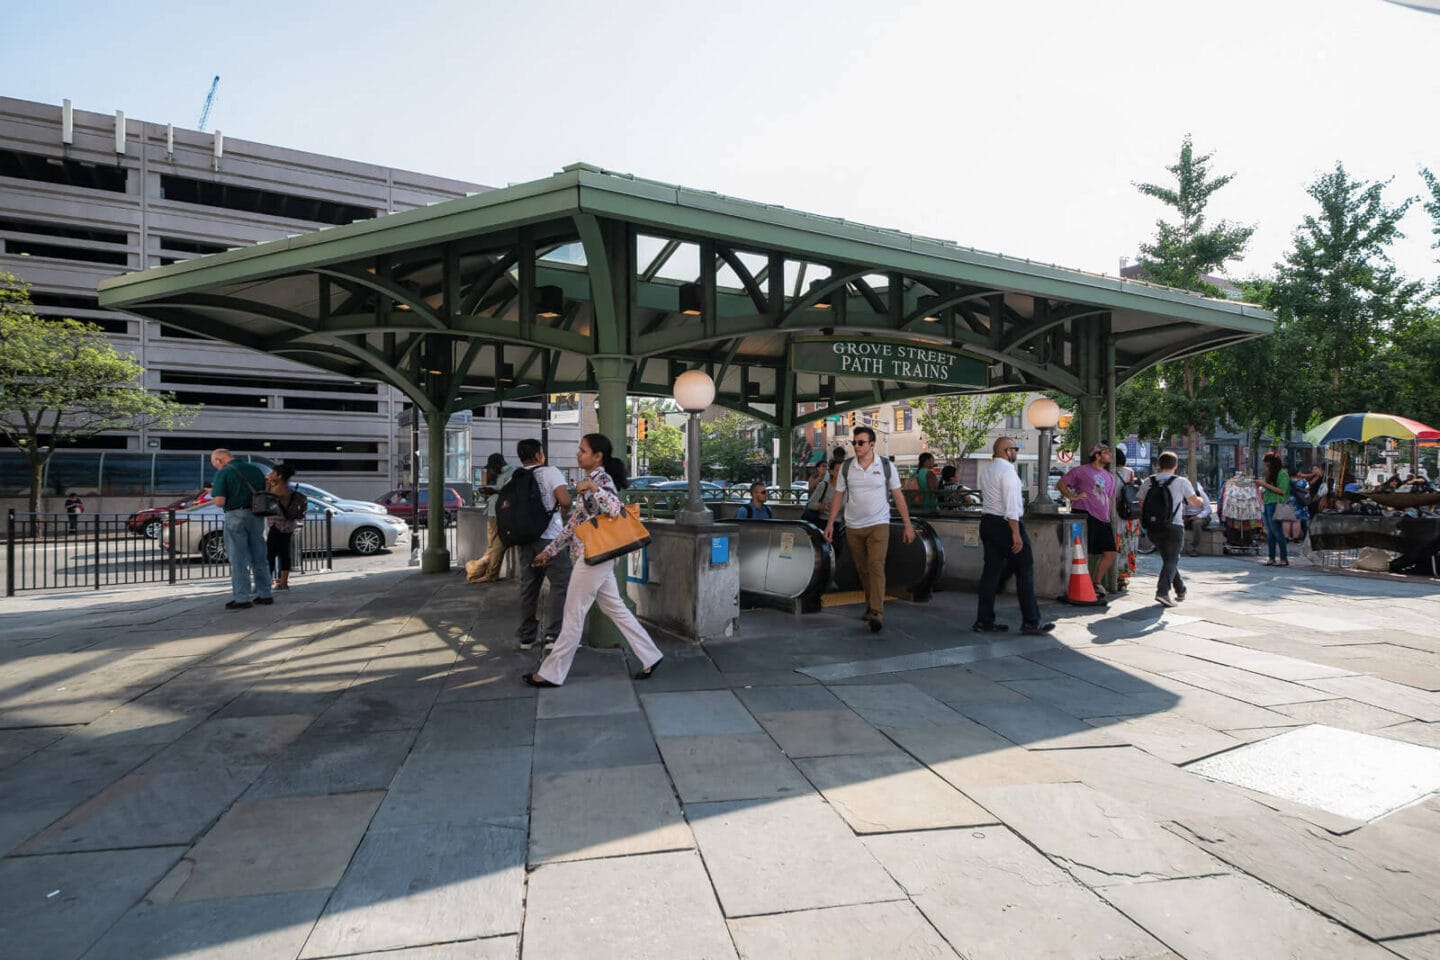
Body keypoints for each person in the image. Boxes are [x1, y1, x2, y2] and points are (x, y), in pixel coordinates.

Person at [524, 433, 664, 687]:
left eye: (583, 450)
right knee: (616, 609)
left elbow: (615, 509)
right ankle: (651, 655)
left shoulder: (601, 479)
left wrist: (594, 488)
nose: (579, 454)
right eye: (579, 450)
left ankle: (551, 673)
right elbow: (575, 525)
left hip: (593, 558)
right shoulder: (589, 480)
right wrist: (550, 551)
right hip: (597, 556)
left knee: (574, 614)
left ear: (598, 456)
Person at [825, 425, 915, 634]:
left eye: (861, 443)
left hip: (879, 524)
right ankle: (870, 602)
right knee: (863, 569)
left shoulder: (885, 466)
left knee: (876, 565)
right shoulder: (847, 468)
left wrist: (908, 525)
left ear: (872, 444)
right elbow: (838, 495)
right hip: (853, 526)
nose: (856, 446)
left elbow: (898, 496)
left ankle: (877, 612)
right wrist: (831, 523)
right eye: (854, 442)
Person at [974, 436, 1053, 635]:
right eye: (1015, 449)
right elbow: (1011, 506)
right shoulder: (1008, 472)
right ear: (1006, 451)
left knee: (990, 573)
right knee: (1024, 570)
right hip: (1006, 524)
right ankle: (1031, 621)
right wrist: (1016, 534)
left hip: (988, 522)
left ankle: (984, 620)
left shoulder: (988, 470)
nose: (1016, 452)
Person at [511, 438, 572, 652]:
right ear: (539, 455)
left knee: (529, 587)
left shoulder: (517, 476)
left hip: (525, 539)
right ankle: (553, 636)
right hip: (551, 539)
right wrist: (563, 512)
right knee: (560, 584)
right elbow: (565, 501)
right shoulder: (550, 472)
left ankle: (527, 637)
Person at [209, 449, 274, 610]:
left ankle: (242, 598)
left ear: (219, 460)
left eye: (215, 464)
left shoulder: (224, 472)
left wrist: (213, 492)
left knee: (238, 558)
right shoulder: (255, 469)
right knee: (259, 555)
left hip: (235, 515)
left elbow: (219, 502)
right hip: (257, 514)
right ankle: (265, 594)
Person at [1138, 450, 1203, 607]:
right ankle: (1162, 592)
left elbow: (1141, 503)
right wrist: (1200, 499)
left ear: (1159, 465)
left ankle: (1180, 589)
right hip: (1173, 525)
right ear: (1175, 465)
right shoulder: (1181, 482)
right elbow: (1195, 502)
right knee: (1172, 559)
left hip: (1153, 527)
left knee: (1169, 559)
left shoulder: (1148, 481)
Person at [1057, 442, 1119, 597]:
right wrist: (1073, 497)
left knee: (1110, 552)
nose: (1110, 455)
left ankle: (1096, 582)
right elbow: (1061, 484)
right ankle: (1077, 584)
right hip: (1084, 514)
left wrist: (1109, 516)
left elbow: (1109, 499)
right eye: (1106, 452)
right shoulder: (1081, 471)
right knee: (1081, 551)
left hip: (1103, 518)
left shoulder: (1110, 477)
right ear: (1097, 455)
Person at [472, 452, 515, 582]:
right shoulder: (500, 474)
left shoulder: (512, 472)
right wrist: (489, 490)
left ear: (497, 465)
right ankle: (488, 572)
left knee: (496, 545)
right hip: (492, 512)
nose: (490, 471)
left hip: (500, 513)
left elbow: (511, 491)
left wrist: (494, 490)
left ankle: (491, 574)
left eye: (491, 468)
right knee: (492, 545)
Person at [265, 464, 304, 590]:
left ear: (279, 475)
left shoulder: (277, 489)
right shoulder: (288, 488)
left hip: (277, 525)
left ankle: (267, 581)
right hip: (288, 525)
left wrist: (268, 483)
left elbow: (265, 499)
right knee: (284, 553)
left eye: (273, 473)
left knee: (270, 554)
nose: (270, 475)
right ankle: (283, 582)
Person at [1257, 453, 1291, 567]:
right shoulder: (1270, 473)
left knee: (1277, 531)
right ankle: (1271, 557)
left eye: (1267, 463)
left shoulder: (1282, 474)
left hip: (1276, 503)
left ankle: (1283, 558)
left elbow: (1282, 491)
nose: (1266, 465)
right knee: (1270, 532)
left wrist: (1264, 485)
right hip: (1267, 502)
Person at [1183, 481, 1212, 556]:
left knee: (1196, 523)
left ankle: (1195, 547)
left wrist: (1198, 516)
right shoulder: (1184, 494)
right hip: (1188, 516)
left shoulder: (1201, 493)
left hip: (1202, 516)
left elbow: (1208, 509)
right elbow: (1182, 508)